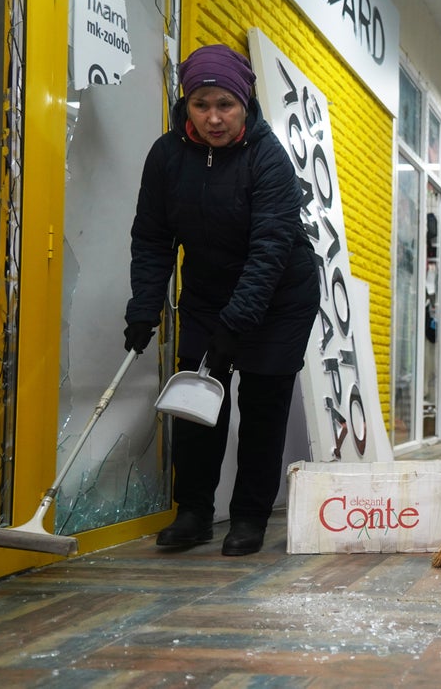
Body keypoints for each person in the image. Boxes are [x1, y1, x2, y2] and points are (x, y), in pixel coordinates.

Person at [123, 44, 320, 556]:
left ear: (245, 102)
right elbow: (152, 238)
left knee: (262, 402)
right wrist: (144, 306)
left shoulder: (267, 157)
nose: (213, 118)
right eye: (201, 105)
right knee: (195, 399)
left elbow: (270, 247)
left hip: (279, 296)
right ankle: (193, 513)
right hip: (208, 293)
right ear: (185, 105)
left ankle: (250, 516)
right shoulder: (167, 157)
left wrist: (237, 323)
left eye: (225, 105)